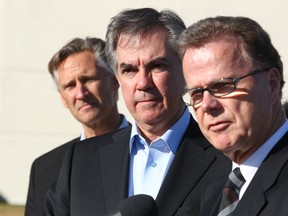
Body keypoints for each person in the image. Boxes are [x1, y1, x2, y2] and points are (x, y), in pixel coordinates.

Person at [43, 8, 230, 216]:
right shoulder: (80, 161)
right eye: (129, 70)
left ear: (185, 71)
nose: (143, 83)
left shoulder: (227, 159)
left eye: (157, 66)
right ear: (117, 79)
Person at [179, 16, 288, 215]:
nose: (206, 105)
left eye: (222, 86)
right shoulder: (214, 193)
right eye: (196, 93)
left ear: (271, 84)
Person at [24, 37, 129, 216]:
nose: (81, 93)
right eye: (70, 85)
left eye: (88, 79)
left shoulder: (149, 150)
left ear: (114, 81)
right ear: (63, 98)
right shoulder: (44, 170)